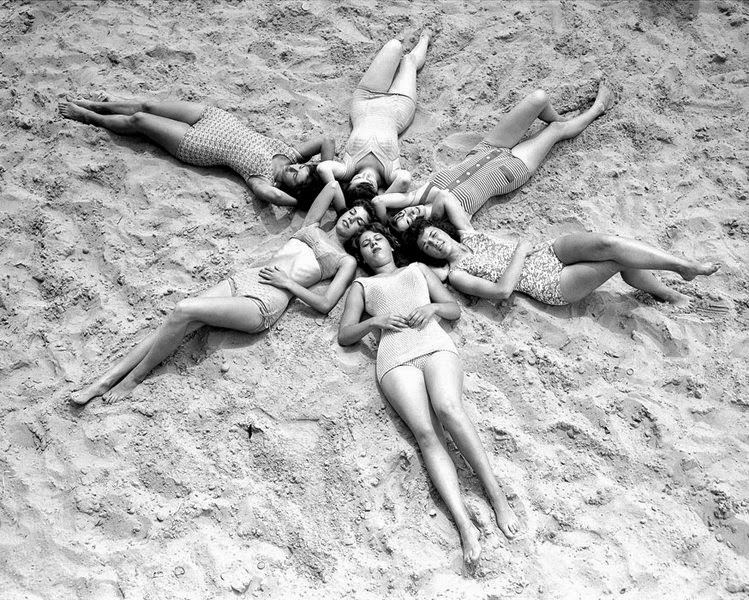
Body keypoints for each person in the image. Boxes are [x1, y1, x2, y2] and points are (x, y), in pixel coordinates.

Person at [74, 181, 373, 405]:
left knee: (184, 311)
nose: (352, 219)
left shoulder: (345, 260)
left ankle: (135, 377)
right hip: (246, 279)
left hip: (267, 301)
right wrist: (361, 204)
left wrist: (289, 285)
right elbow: (332, 185)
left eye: (360, 222)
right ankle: (106, 380)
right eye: (352, 213)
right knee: (179, 322)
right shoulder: (312, 225)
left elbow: (324, 303)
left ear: (361, 234)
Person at [338, 224, 520, 567]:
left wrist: (433, 309)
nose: (373, 244)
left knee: (449, 408)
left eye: (377, 239)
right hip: (394, 358)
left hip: (433, 344)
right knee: (426, 434)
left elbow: (453, 309)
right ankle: (464, 524)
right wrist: (374, 321)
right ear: (361, 255)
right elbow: (346, 334)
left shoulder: (417, 269)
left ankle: (496, 496)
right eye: (365, 244)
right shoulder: (362, 286)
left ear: (391, 245)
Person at [405, 196, 720, 308]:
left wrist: (416, 218)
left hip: (549, 252)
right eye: (427, 247)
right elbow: (502, 292)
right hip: (549, 284)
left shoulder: (467, 232)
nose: (433, 242)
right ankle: (668, 294)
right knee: (616, 260)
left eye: (432, 235)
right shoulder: (457, 275)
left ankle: (682, 266)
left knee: (610, 243)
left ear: (441, 228)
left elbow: (445, 196)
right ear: (430, 256)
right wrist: (519, 253)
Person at [377, 83, 615, 228]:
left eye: (402, 214)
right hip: (513, 168)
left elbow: (379, 201)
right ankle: (597, 109)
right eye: (409, 220)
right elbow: (442, 202)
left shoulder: (417, 197)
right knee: (556, 131)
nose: (408, 213)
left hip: (487, 148)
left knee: (538, 99)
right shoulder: (451, 217)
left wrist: (384, 221)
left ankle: (567, 120)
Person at [59, 96, 332, 208]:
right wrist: (329, 175)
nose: (295, 169)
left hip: (196, 144)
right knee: (149, 105)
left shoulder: (262, 182)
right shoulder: (292, 154)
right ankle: (97, 104)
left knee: (139, 121)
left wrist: (307, 203)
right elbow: (325, 140)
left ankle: (87, 116)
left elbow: (275, 197)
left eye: (295, 177)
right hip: (217, 119)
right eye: (302, 168)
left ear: (290, 189)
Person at [316, 31, 430, 210]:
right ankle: (426, 38)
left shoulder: (347, 168)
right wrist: (383, 199)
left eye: (358, 181)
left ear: (349, 183)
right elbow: (405, 179)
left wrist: (337, 197)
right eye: (368, 184)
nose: (365, 178)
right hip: (398, 107)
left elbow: (323, 168)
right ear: (377, 190)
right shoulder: (390, 173)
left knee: (394, 45)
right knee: (408, 61)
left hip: (366, 99)